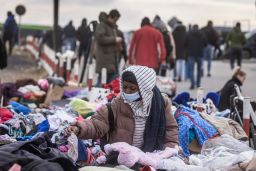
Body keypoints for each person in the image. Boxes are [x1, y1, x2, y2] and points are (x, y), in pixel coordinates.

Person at [66, 65, 179, 153]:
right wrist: (79, 128)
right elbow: (96, 125)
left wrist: (168, 151)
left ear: (144, 89)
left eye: (132, 88)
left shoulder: (160, 104)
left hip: (151, 159)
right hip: (121, 160)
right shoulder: (116, 105)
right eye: (124, 87)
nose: (127, 92)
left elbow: (170, 129)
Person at [95, 9, 122, 84]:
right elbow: (100, 38)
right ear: (111, 17)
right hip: (105, 61)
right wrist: (114, 39)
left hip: (111, 62)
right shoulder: (102, 25)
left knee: (110, 84)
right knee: (102, 84)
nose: (116, 22)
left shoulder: (111, 27)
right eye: (116, 20)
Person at [185, 24, 207, 89]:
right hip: (200, 54)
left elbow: (185, 44)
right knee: (199, 70)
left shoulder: (189, 34)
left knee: (191, 70)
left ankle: (192, 84)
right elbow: (206, 43)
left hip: (191, 54)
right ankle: (198, 84)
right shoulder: (202, 34)